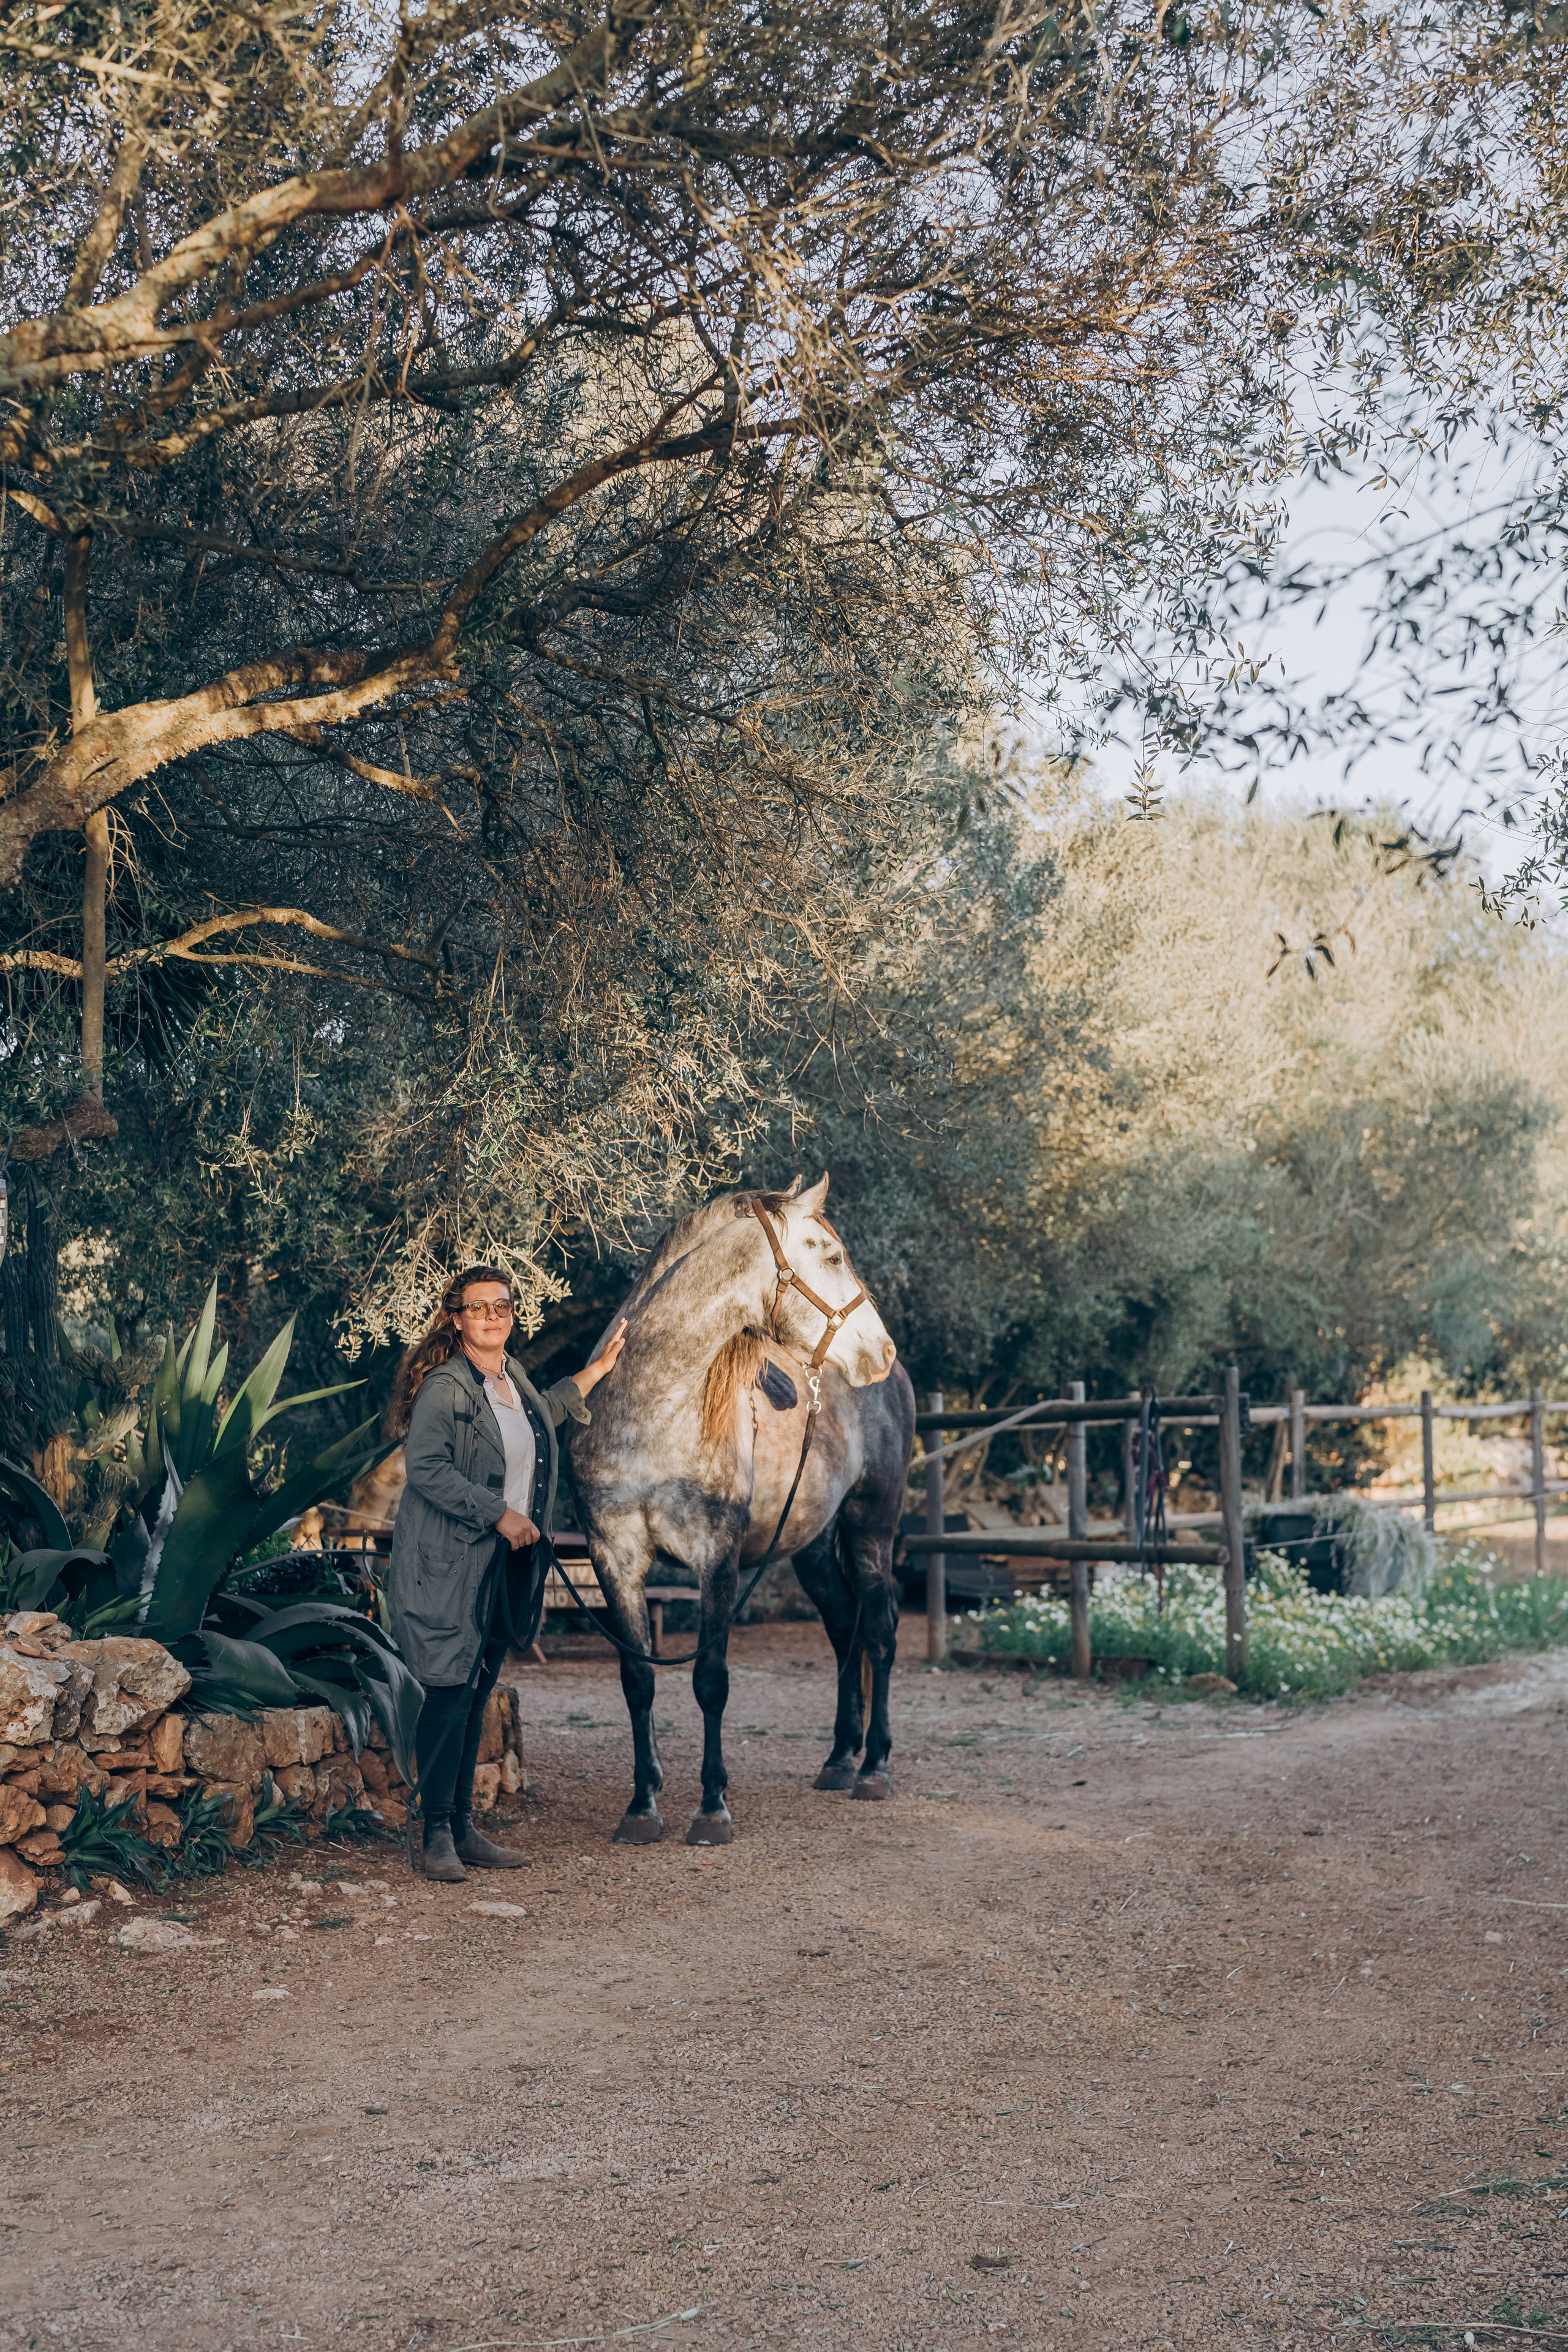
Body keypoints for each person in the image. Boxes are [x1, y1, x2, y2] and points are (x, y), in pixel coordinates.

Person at [387, 1267, 627, 1882]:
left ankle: (463, 1827)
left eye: (502, 1305)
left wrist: (596, 1372)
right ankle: (435, 1834)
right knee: (449, 1690)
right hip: (451, 1563)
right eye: (479, 1307)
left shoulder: (511, 1377)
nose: (492, 1316)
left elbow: (545, 1412)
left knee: (476, 1690)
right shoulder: (446, 1387)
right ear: (456, 1318)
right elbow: (426, 1468)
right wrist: (499, 1513)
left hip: (503, 1563)